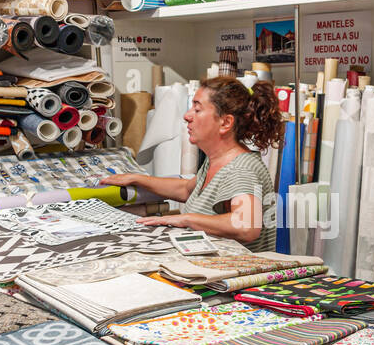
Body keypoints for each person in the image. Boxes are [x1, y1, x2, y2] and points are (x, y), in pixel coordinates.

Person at [105, 76, 284, 252]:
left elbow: (246, 227)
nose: (187, 116)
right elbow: (186, 190)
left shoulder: (241, 169)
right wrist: (137, 179)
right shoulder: (217, 160)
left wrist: (187, 219)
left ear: (226, 122)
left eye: (197, 110)